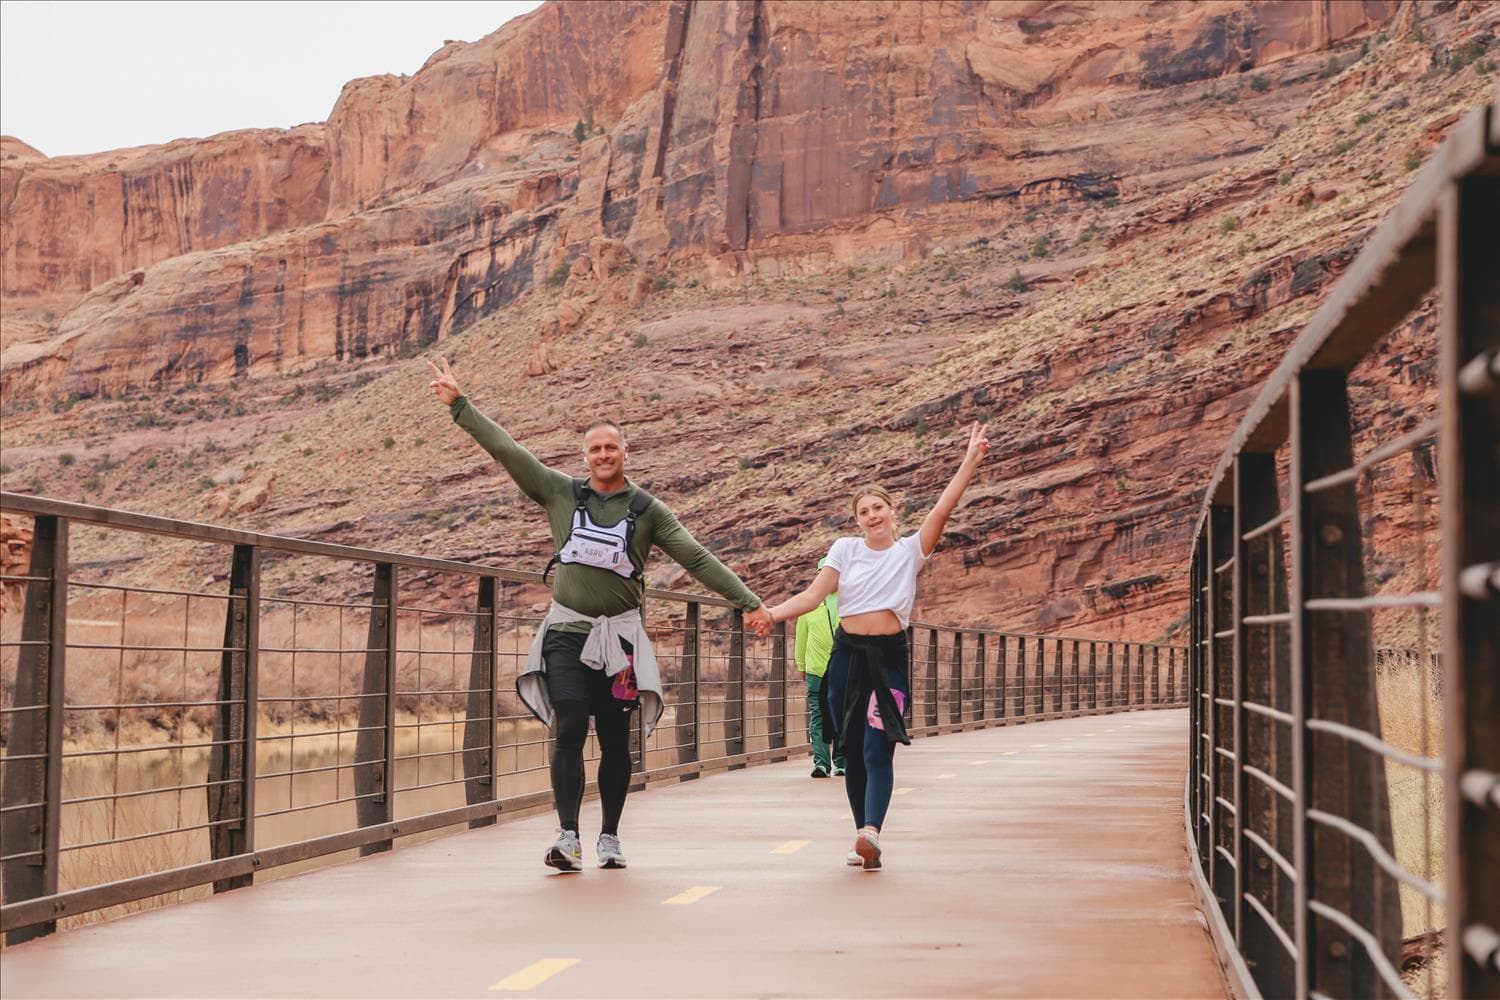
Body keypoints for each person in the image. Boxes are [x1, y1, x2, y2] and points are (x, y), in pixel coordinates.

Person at [426, 357, 773, 872]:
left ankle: (609, 836)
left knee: (615, 740)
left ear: (625, 454)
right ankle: (568, 836)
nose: (603, 455)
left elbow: (696, 557)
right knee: (568, 726)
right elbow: (508, 450)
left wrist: (749, 602)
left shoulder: (649, 511)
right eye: (595, 448)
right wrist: (461, 405)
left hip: (622, 646)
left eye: (611, 447)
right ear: (584, 457)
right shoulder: (559, 491)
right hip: (565, 634)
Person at [757, 422, 990, 870]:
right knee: (852, 748)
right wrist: (771, 613)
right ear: (856, 518)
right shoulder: (845, 550)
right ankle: (862, 833)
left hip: (888, 661)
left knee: (876, 748)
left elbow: (943, 508)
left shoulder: (909, 551)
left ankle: (871, 832)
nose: (871, 516)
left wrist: (970, 460)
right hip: (846, 660)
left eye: (878, 508)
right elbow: (812, 596)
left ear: (891, 510)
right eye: (863, 511)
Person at [793, 557, 845, 779]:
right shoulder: (808, 605)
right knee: (818, 715)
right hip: (816, 669)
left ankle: (841, 762)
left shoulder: (848, 601)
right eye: (825, 572)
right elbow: (800, 638)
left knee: (842, 715)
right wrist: (801, 665)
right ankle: (821, 763)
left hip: (842, 668)